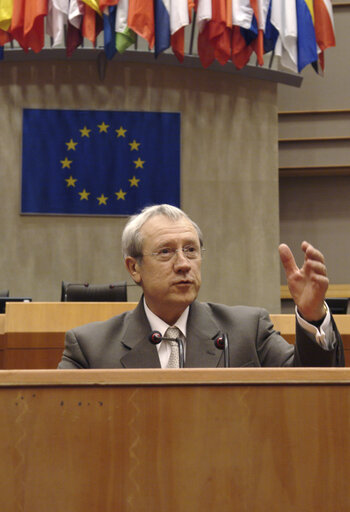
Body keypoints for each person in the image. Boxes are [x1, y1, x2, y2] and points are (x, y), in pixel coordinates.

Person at [58, 204, 344, 369]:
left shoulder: (247, 330)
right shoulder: (90, 348)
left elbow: (309, 386)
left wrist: (311, 316)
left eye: (191, 250)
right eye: (166, 252)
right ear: (134, 268)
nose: (183, 263)